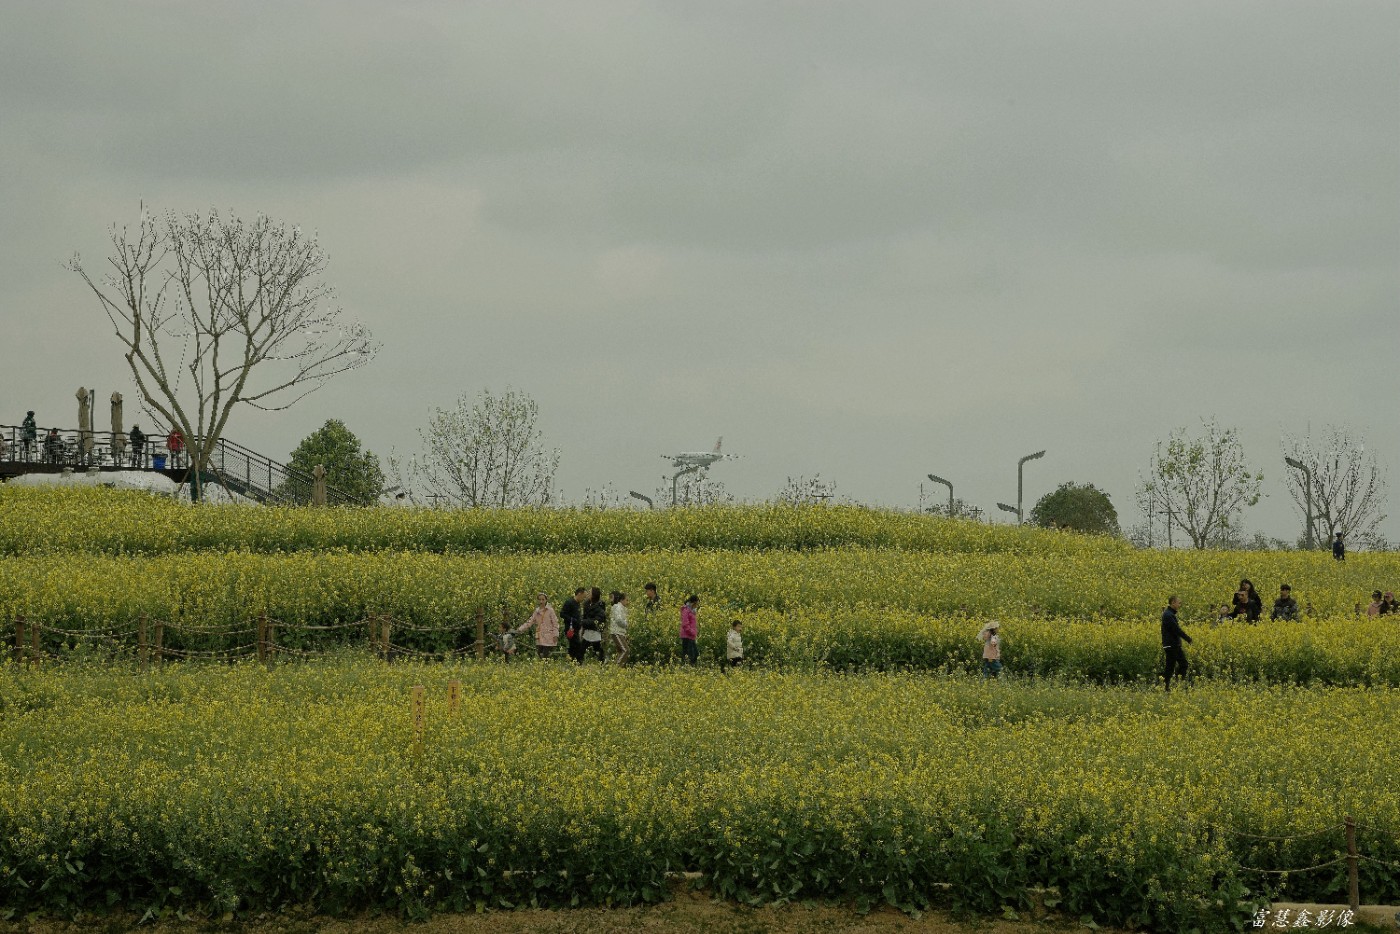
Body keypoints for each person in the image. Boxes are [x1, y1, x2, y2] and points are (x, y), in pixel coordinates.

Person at [515, 592, 560, 658]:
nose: (541, 601)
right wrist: (520, 629)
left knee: (545, 656)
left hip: (549, 637)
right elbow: (529, 622)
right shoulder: (537, 611)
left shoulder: (550, 610)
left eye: (543, 599)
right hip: (540, 637)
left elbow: (555, 623)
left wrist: (556, 635)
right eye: (539, 599)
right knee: (539, 655)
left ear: (546, 600)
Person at [1161, 596, 1192, 693]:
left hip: (1170, 644)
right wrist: (1188, 639)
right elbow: (1176, 630)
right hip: (1172, 645)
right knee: (1183, 664)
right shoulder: (1168, 615)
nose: (1180, 605)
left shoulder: (1169, 613)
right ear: (1173, 603)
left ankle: (1167, 686)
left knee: (1170, 667)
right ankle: (1176, 684)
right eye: (1179, 603)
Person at [579, 587, 606, 663]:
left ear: (594, 595)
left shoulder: (600, 606)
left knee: (597, 648)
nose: (588, 593)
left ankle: (601, 663)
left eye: (589, 592)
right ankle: (578, 663)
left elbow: (597, 620)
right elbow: (584, 616)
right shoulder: (587, 604)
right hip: (587, 631)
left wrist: (583, 622)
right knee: (583, 648)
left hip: (595, 631)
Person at [560, 587, 586, 663]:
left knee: (573, 647)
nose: (584, 599)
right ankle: (578, 662)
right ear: (579, 594)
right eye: (583, 597)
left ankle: (572, 661)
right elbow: (562, 614)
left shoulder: (578, 604)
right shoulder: (569, 602)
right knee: (577, 645)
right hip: (570, 629)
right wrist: (572, 620)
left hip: (576, 629)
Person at [608, 591, 630, 666]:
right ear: (621, 600)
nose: (628, 602)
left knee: (620, 651)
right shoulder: (618, 607)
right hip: (616, 632)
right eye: (626, 600)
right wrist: (627, 624)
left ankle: (618, 668)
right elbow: (618, 620)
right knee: (625, 650)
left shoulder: (623, 608)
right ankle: (616, 668)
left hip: (620, 632)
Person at [679, 594, 700, 666]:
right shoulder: (686, 610)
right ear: (693, 603)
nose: (697, 606)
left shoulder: (692, 610)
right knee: (691, 656)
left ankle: (689, 668)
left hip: (691, 636)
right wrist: (692, 632)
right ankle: (687, 668)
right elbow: (685, 624)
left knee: (694, 655)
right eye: (697, 604)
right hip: (687, 636)